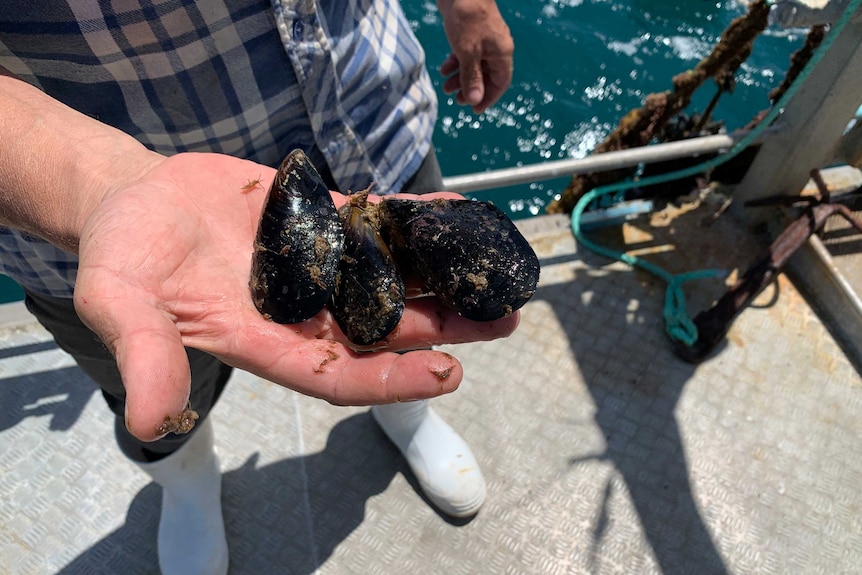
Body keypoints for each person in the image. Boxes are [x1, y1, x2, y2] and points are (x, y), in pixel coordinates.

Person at [0, 1, 515, 574]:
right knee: (159, 392)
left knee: (407, 326)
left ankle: (408, 418)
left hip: (371, 120)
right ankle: (188, 481)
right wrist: (97, 186)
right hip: (84, 209)